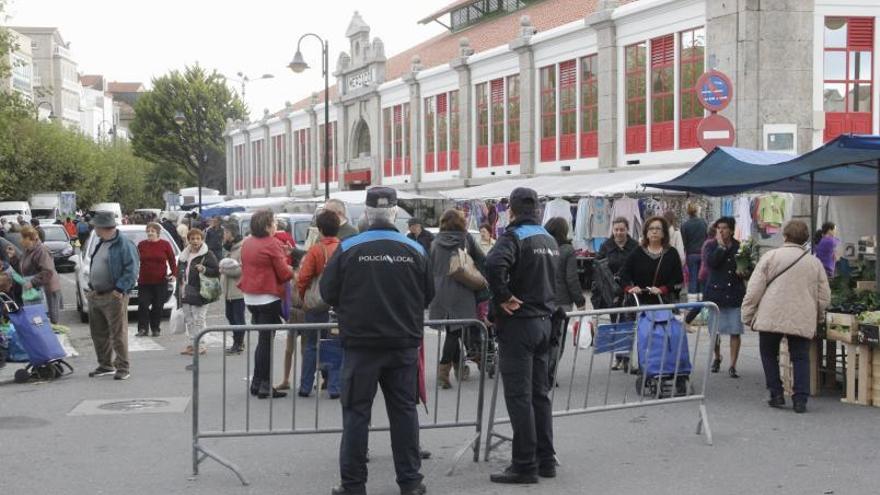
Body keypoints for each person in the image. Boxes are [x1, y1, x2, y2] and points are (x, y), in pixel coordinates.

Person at [320, 187, 433, 495]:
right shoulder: (415, 249)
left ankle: (354, 484)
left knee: (356, 415)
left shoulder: (349, 247)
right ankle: (410, 482)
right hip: (403, 344)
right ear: (395, 213)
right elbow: (428, 294)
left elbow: (327, 292)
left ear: (366, 214)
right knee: (404, 413)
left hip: (361, 345)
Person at [486, 187, 559, 484]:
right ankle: (545, 460)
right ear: (537, 209)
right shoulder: (548, 238)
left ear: (512, 211)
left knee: (520, 397)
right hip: (544, 321)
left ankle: (524, 465)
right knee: (539, 396)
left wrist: (502, 295)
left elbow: (492, 264)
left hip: (520, 324)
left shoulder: (513, 236)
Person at [741, 220, 830, 413]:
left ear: (785, 236)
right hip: (802, 315)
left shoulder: (770, 257)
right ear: (805, 239)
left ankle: (776, 393)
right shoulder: (814, 263)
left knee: (768, 354)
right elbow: (824, 296)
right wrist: (819, 316)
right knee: (800, 357)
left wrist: (747, 314)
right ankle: (800, 400)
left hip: (770, 314)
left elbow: (754, 290)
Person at [238, 210, 294, 399]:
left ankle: (257, 382)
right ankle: (264, 385)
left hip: (250, 296)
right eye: (274, 222)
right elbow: (284, 273)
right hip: (267, 297)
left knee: (262, 341)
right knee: (266, 342)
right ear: (267, 226)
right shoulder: (272, 243)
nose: (276, 225)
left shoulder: (248, 242)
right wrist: (289, 264)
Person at [429, 209, 485, 389]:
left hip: (439, 291)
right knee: (455, 332)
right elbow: (482, 260)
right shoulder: (465, 239)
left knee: (453, 330)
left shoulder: (435, 242)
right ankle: (443, 372)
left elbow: (429, 266)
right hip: (461, 290)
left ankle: (460, 367)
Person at [85, 211, 139, 381]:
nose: (94, 229)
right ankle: (105, 365)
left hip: (113, 295)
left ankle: (123, 367)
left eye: (96, 226)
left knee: (117, 333)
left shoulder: (124, 244)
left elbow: (132, 270)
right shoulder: (102, 242)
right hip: (97, 294)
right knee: (98, 333)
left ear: (103, 227)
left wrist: (119, 289)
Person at [296, 210, 342, 398]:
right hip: (339, 304)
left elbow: (304, 277)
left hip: (316, 305)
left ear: (320, 229)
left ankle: (306, 386)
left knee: (311, 345)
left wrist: (304, 297)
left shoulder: (316, 250)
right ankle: (334, 387)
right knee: (334, 344)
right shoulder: (344, 247)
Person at [703, 217, 746, 378]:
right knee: (715, 331)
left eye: (725, 228)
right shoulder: (711, 245)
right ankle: (717, 357)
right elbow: (711, 264)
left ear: (732, 230)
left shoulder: (739, 247)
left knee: (735, 331)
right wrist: (720, 247)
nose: (721, 231)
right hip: (716, 293)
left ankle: (733, 365)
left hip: (734, 293)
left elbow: (747, 267)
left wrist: (744, 272)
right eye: (718, 228)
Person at [620, 215, 684, 306]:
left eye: (658, 228)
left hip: (664, 304)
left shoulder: (672, 253)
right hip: (640, 304)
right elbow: (622, 276)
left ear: (664, 233)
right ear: (646, 233)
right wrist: (631, 288)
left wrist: (663, 289)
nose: (654, 231)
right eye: (651, 229)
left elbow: (678, 280)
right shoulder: (637, 253)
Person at [177, 228, 219, 357]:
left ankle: (201, 345)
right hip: (185, 290)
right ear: (188, 240)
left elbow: (216, 271)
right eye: (192, 239)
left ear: (202, 240)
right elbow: (180, 269)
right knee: (189, 320)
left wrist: (204, 269)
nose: (195, 241)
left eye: (197, 238)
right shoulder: (185, 255)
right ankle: (192, 344)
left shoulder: (208, 254)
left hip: (201, 291)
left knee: (198, 319)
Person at [136, 223, 177, 337]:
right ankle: (143, 329)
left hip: (160, 281)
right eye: (148, 231)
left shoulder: (165, 244)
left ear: (158, 233)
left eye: (152, 231)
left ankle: (155, 328)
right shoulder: (141, 245)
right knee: (143, 304)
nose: (150, 233)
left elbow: (172, 260)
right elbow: (135, 260)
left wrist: (174, 274)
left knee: (158, 306)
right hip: (144, 281)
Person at [18, 226, 62, 324]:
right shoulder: (28, 250)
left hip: (48, 290)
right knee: (38, 320)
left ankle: (51, 339)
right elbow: (25, 267)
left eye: (22, 238)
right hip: (37, 289)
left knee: (50, 321)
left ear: (29, 238)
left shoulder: (41, 250)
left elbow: (48, 271)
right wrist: (13, 258)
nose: (20, 240)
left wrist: (32, 282)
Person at [545, 217, 585, 311]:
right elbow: (572, 279)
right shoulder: (568, 250)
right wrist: (580, 302)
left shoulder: (540, 248)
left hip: (543, 299)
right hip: (562, 301)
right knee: (561, 325)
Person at [219, 222, 246, 354]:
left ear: (232, 234)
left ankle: (239, 343)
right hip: (228, 291)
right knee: (230, 316)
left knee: (238, 318)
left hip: (238, 290)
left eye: (226, 233)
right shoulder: (229, 248)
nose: (224, 235)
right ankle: (237, 340)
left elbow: (241, 269)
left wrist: (225, 270)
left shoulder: (241, 248)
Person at [681, 203, 708, 295]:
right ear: (696, 211)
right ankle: (703, 301)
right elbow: (707, 237)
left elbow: (684, 242)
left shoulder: (685, 225)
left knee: (693, 278)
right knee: (703, 278)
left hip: (691, 254)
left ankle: (693, 303)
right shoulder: (703, 222)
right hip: (703, 253)